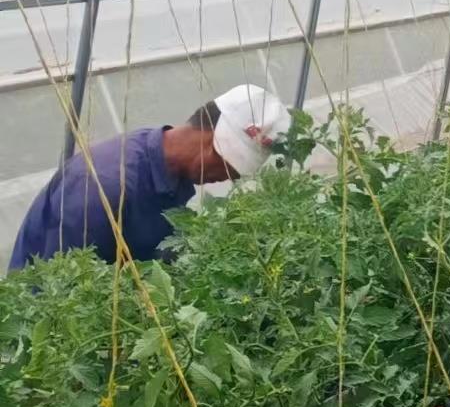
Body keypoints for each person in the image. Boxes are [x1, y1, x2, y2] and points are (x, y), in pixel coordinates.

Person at [9, 85, 290, 271]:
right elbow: (62, 286)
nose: (226, 177)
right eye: (228, 166)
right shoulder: (101, 187)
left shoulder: (171, 168)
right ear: (209, 142)